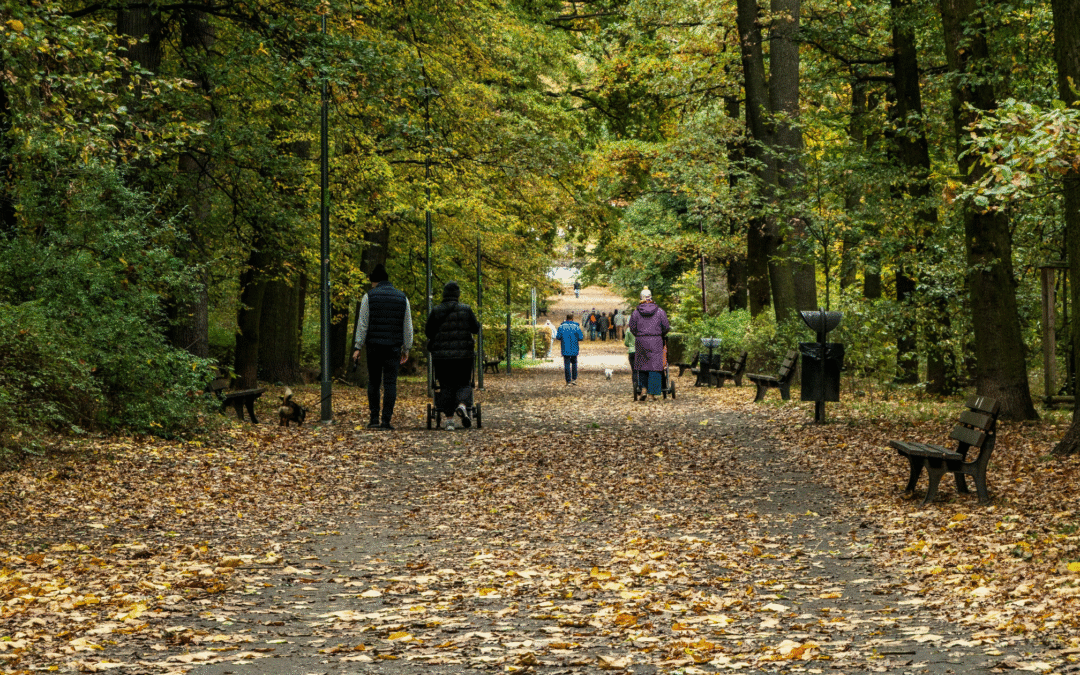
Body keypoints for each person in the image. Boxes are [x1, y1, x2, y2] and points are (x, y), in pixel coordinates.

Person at [352, 264, 413, 429]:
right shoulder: (402, 298)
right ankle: (386, 420)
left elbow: (363, 324)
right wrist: (406, 348)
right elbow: (407, 326)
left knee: (374, 382)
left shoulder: (369, 297)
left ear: (375, 281)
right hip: (393, 347)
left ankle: (373, 419)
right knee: (390, 383)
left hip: (374, 347)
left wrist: (358, 346)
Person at [426, 281, 481, 428]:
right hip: (464, 356)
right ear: (458, 295)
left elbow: (428, 332)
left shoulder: (436, 311)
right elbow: (476, 328)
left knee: (446, 385)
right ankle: (462, 405)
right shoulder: (466, 309)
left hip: (442, 358)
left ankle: (449, 420)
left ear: (444, 294)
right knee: (464, 383)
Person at [628, 287, 670, 402]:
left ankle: (643, 389)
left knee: (642, 366)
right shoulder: (660, 311)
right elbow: (666, 327)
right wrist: (660, 335)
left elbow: (632, 327)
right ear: (651, 297)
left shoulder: (636, 313)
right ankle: (652, 395)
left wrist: (639, 335)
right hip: (656, 341)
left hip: (641, 341)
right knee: (655, 367)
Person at [555, 312, 585, 386]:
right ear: (572, 319)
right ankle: (574, 379)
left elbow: (558, 337)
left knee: (567, 364)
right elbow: (581, 337)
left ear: (566, 318)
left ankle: (568, 380)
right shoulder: (576, 327)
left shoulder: (561, 327)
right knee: (574, 363)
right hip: (574, 347)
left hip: (565, 348)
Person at [624, 323, 638, 395]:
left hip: (632, 351)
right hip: (640, 351)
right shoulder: (641, 328)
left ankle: (635, 387)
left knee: (634, 370)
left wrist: (630, 344)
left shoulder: (628, 330)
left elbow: (626, 343)